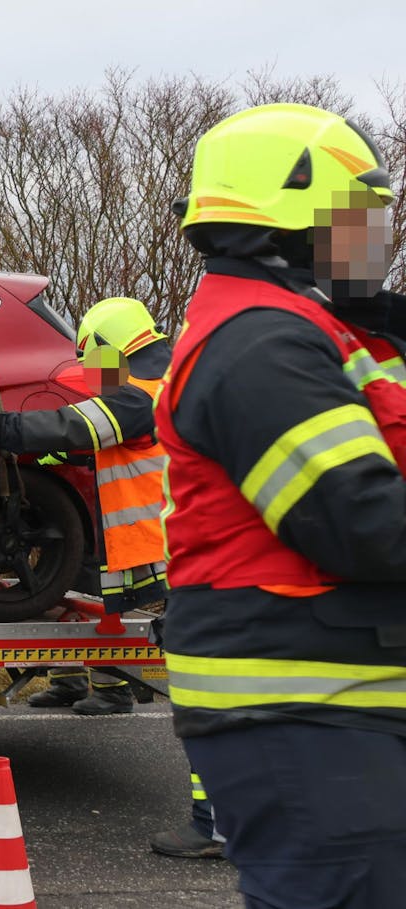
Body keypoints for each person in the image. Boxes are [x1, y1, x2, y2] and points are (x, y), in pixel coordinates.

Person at [155, 103, 406, 905]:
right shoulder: (262, 344)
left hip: (333, 700)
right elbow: (361, 523)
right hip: (303, 707)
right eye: (364, 215)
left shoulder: (301, 328)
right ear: (296, 219)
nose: (381, 238)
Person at [0, 296, 171, 715]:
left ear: (112, 350)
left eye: (91, 359)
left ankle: (114, 691)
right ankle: (68, 681)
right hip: (134, 530)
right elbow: (117, 446)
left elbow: (71, 425)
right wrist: (71, 457)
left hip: (153, 538)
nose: (89, 372)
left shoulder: (136, 398)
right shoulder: (152, 388)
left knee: (102, 607)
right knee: (73, 593)